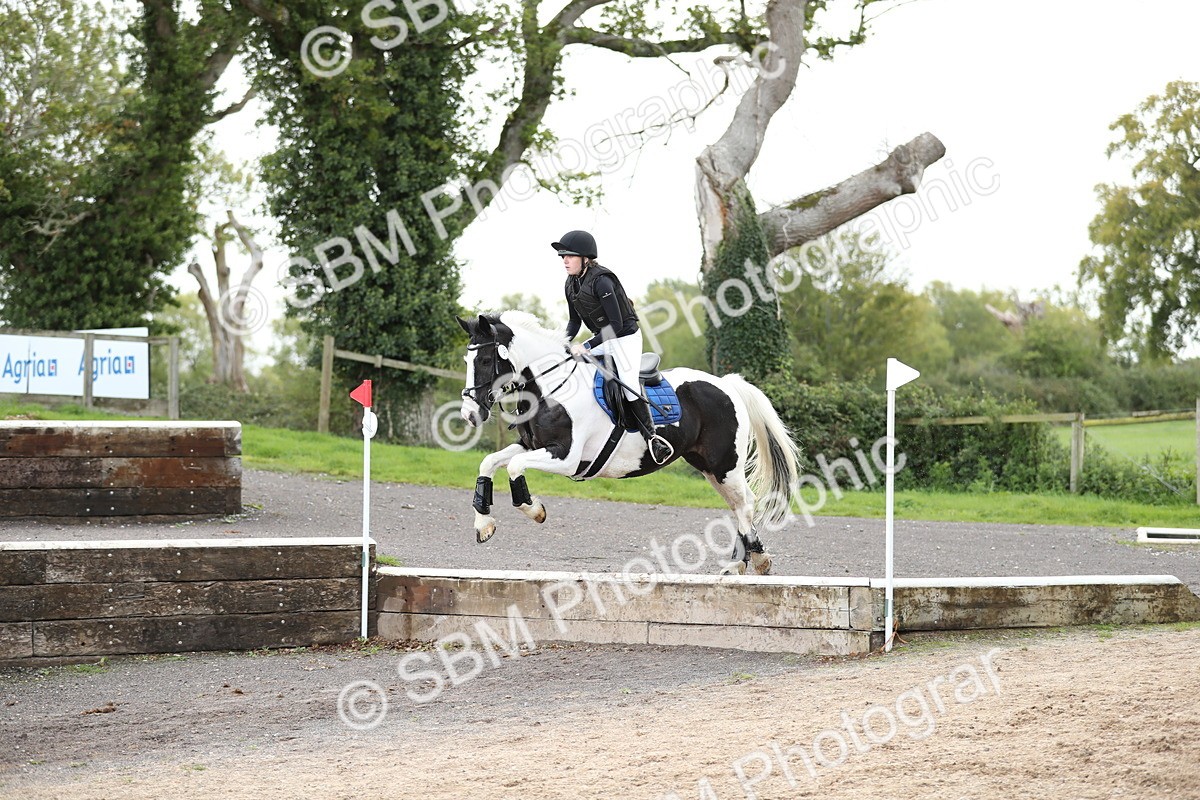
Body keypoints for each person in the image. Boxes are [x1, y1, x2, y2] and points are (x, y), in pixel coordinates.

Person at [554, 229, 674, 465]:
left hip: (625, 338)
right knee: (571, 365)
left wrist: (587, 345)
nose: (565, 260)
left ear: (585, 258)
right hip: (604, 338)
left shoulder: (603, 281)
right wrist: (561, 343)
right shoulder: (571, 284)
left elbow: (617, 325)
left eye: (569, 255)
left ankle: (653, 439)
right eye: (563, 256)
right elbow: (574, 322)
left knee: (629, 386)